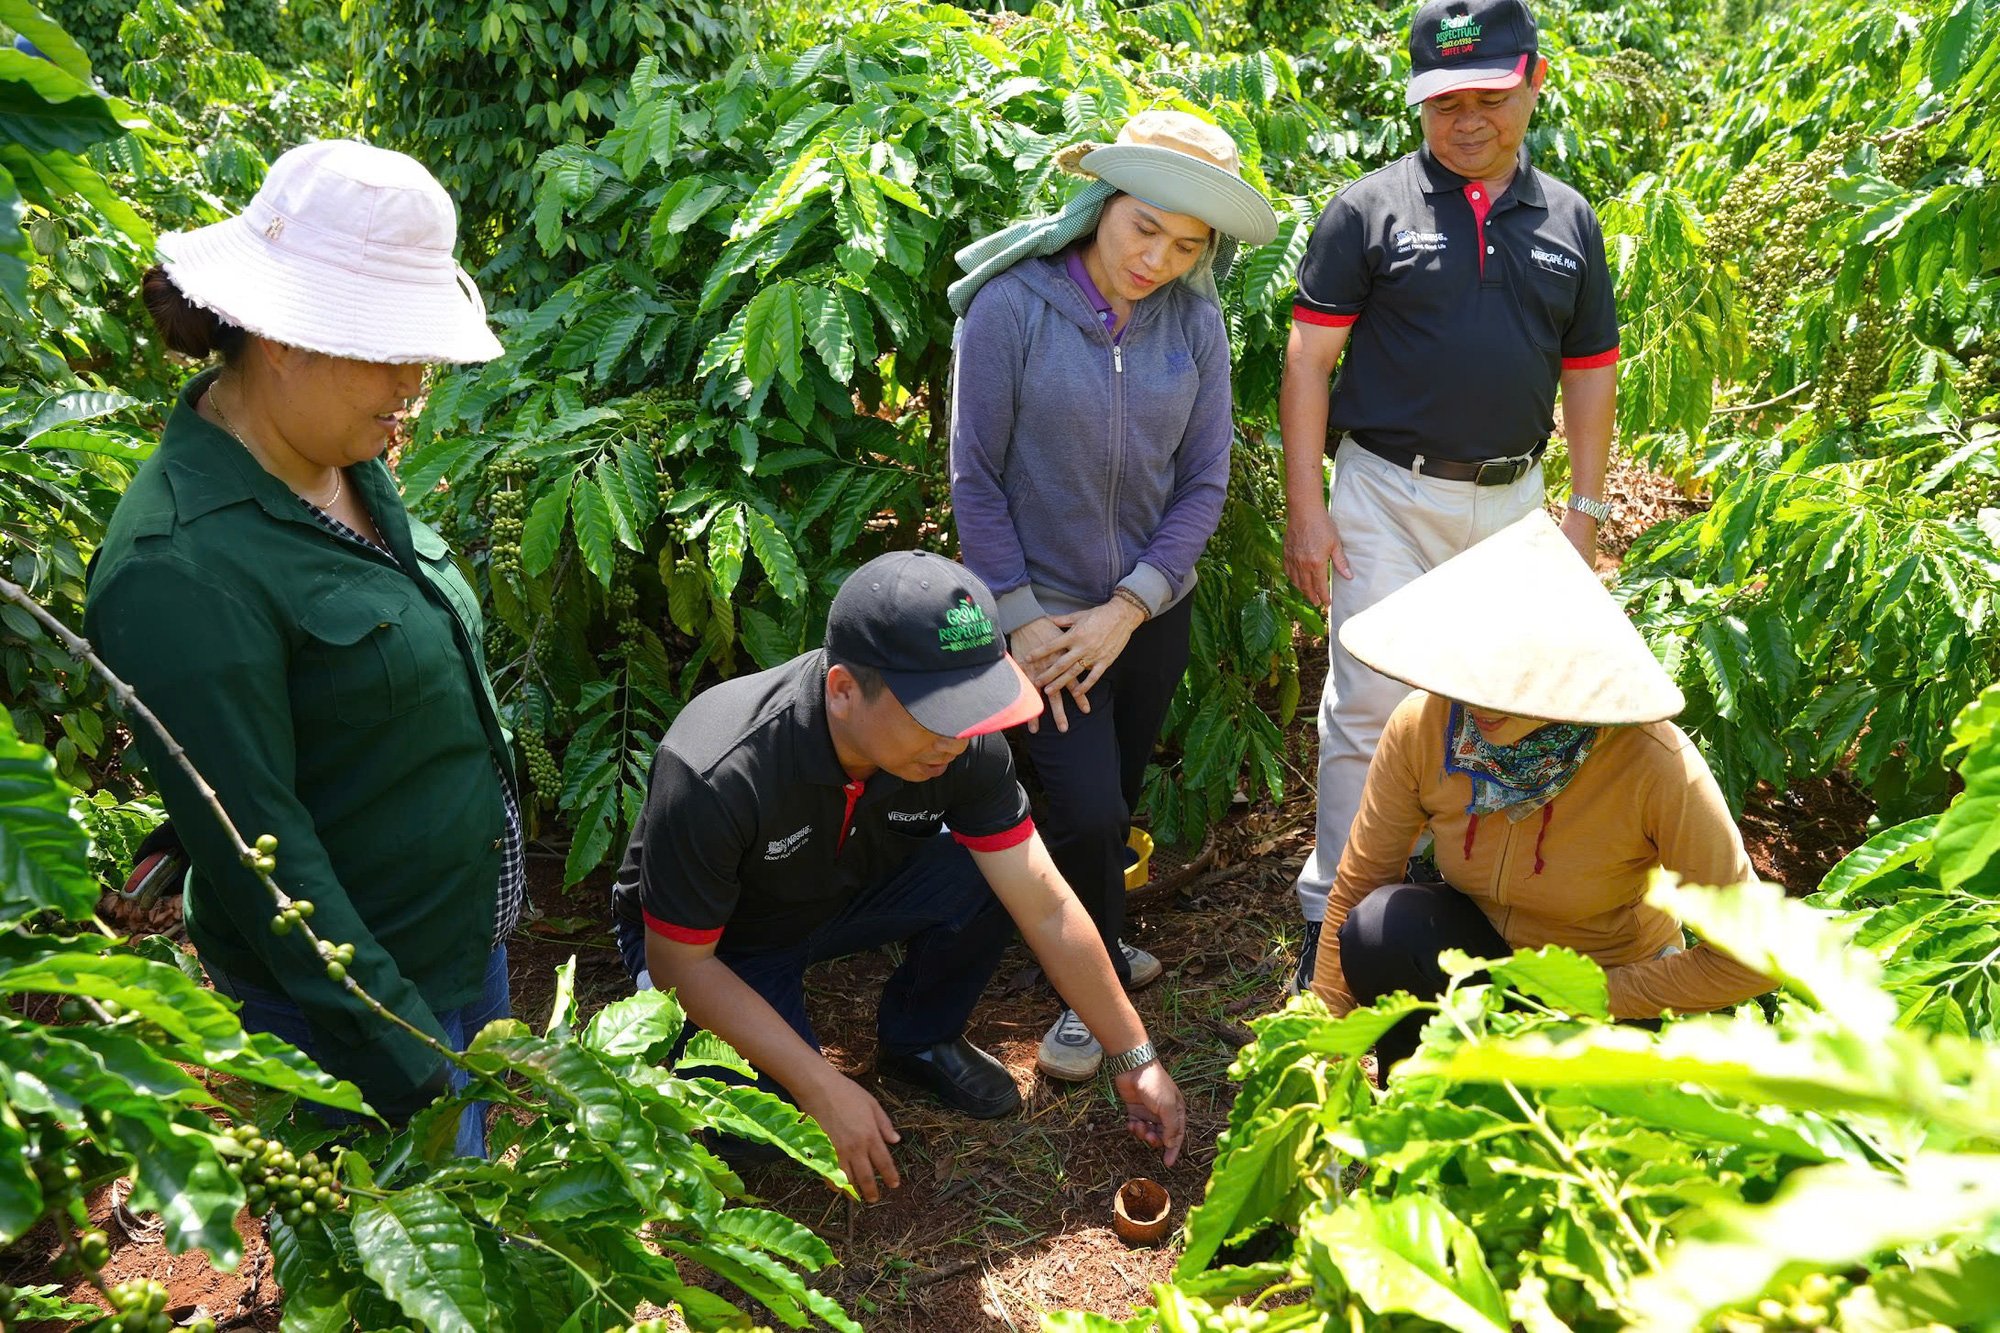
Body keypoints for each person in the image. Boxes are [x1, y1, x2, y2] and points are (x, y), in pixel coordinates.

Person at [85, 140, 515, 1157]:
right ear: (287, 338)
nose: (415, 381)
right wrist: (413, 1062)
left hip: (450, 946)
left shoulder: (339, 458)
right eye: (390, 349)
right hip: (358, 1015)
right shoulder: (177, 568)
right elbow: (267, 862)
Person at [608, 551, 1188, 1200]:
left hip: (842, 887)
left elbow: (1045, 903)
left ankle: (920, 1039)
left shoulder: (959, 746)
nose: (959, 737)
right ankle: (690, 1061)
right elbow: (680, 966)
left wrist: (1134, 1055)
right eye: (938, 711)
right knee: (754, 1127)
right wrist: (820, 1081)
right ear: (844, 691)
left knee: (994, 870)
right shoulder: (717, 768)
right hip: (720, 942)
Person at [1281, 0, 1623, 993]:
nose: (1465, 120)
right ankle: (1334, 916)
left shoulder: (1567, 218)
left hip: (1512, 503)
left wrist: (1584, 512)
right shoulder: (1366, 209)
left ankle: (1467, 906)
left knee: (1500, 707)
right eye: (1442, 104)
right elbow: (1308, 363)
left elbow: (1589, 368)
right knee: (1370, 704)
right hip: (1385, 492)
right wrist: (1308, 506)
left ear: (1532, 82)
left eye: (1487, 98)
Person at [948, 110, 1278, 1080]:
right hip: (1041, 620)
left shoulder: (1196, 322)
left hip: (1144, 614)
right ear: (1100, 203)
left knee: (1117, 788)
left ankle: (1098, 928)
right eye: (1143, 228)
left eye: (1186, 245)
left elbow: (1202, 483)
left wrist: (1129, 607)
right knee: (1086, 807)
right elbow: (975, 478)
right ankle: (1090, 997)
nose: (1157, 259)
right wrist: (1022, 623)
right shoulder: (1009, 309)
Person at [1307, 513, 1774, 1068]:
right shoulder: (1423, 727)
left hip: (1604, 989)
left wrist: (1591, 996)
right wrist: (1317, 1047)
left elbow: (1751, 959)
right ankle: (1421, 1112)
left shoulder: (1653, 762)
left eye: (1510, 683)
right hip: (1483, 966)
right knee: (1380, 925)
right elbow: (1362, 881)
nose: (1480, 705)